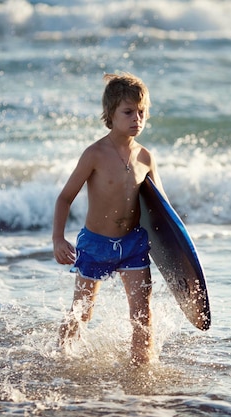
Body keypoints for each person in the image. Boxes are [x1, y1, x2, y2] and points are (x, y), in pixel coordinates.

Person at [52, 73, 164, 365]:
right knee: (82, 311)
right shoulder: (95, 154)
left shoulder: (146, 158)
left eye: (142, 113)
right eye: (128, 112)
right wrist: (57, 238)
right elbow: (65, 198)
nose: (136, 119)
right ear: (110, 115)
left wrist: (176, 252)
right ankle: (59, 358)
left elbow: (161, 210)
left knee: (142, 313)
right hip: (96, 244)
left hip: (134, 245)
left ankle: (141, 369)